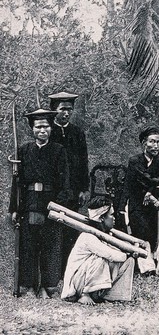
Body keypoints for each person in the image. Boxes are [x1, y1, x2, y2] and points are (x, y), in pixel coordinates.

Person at [12, 109, 70, 298]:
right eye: (38, 127)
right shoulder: (24, 150)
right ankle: (28, 286)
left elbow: (65, 183)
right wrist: (14, 208)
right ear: (32, 129)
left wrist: (58, 205)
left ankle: (47, 286)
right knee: (28, 245)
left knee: (50, 245)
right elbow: (17, 183)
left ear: (51, 128)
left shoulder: (58, 151)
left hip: (50, 203)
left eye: (45, 126)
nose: (42, 130)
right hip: (29, 203)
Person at [118, 126, 159, 250]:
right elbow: (148, 179)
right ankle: (142, 263)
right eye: (152, 141)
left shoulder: (158, 159)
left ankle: (152, 262)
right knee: (140, 234)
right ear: (144, 143)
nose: (156, 146)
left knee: (155, 233)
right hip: (136, 204)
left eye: (158, 142)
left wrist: (149, 191)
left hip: (152, 202)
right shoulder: (135, 161)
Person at [61, 197, 135, 305]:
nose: (114, 218)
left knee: (129, 261)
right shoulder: (87, 236)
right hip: (76, 283)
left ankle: (111, 295)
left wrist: (129, 253)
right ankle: (84, 294)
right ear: (101, 218)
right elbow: (109, 254)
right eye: (111, 215)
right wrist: (127, 254)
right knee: (101, 258)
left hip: (84, 278)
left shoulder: (105, 234)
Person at [48, 92, 90, 273]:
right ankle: (51, 272)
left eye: (70, 109)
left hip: (73, 189)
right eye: (62, 109)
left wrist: (84, 189)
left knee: (71, 229)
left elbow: (83, 162)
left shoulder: (77, 133)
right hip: (53, 189)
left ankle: (68, 271)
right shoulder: (47, 130)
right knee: (52, 229)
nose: (66, 113)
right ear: (54, 110)